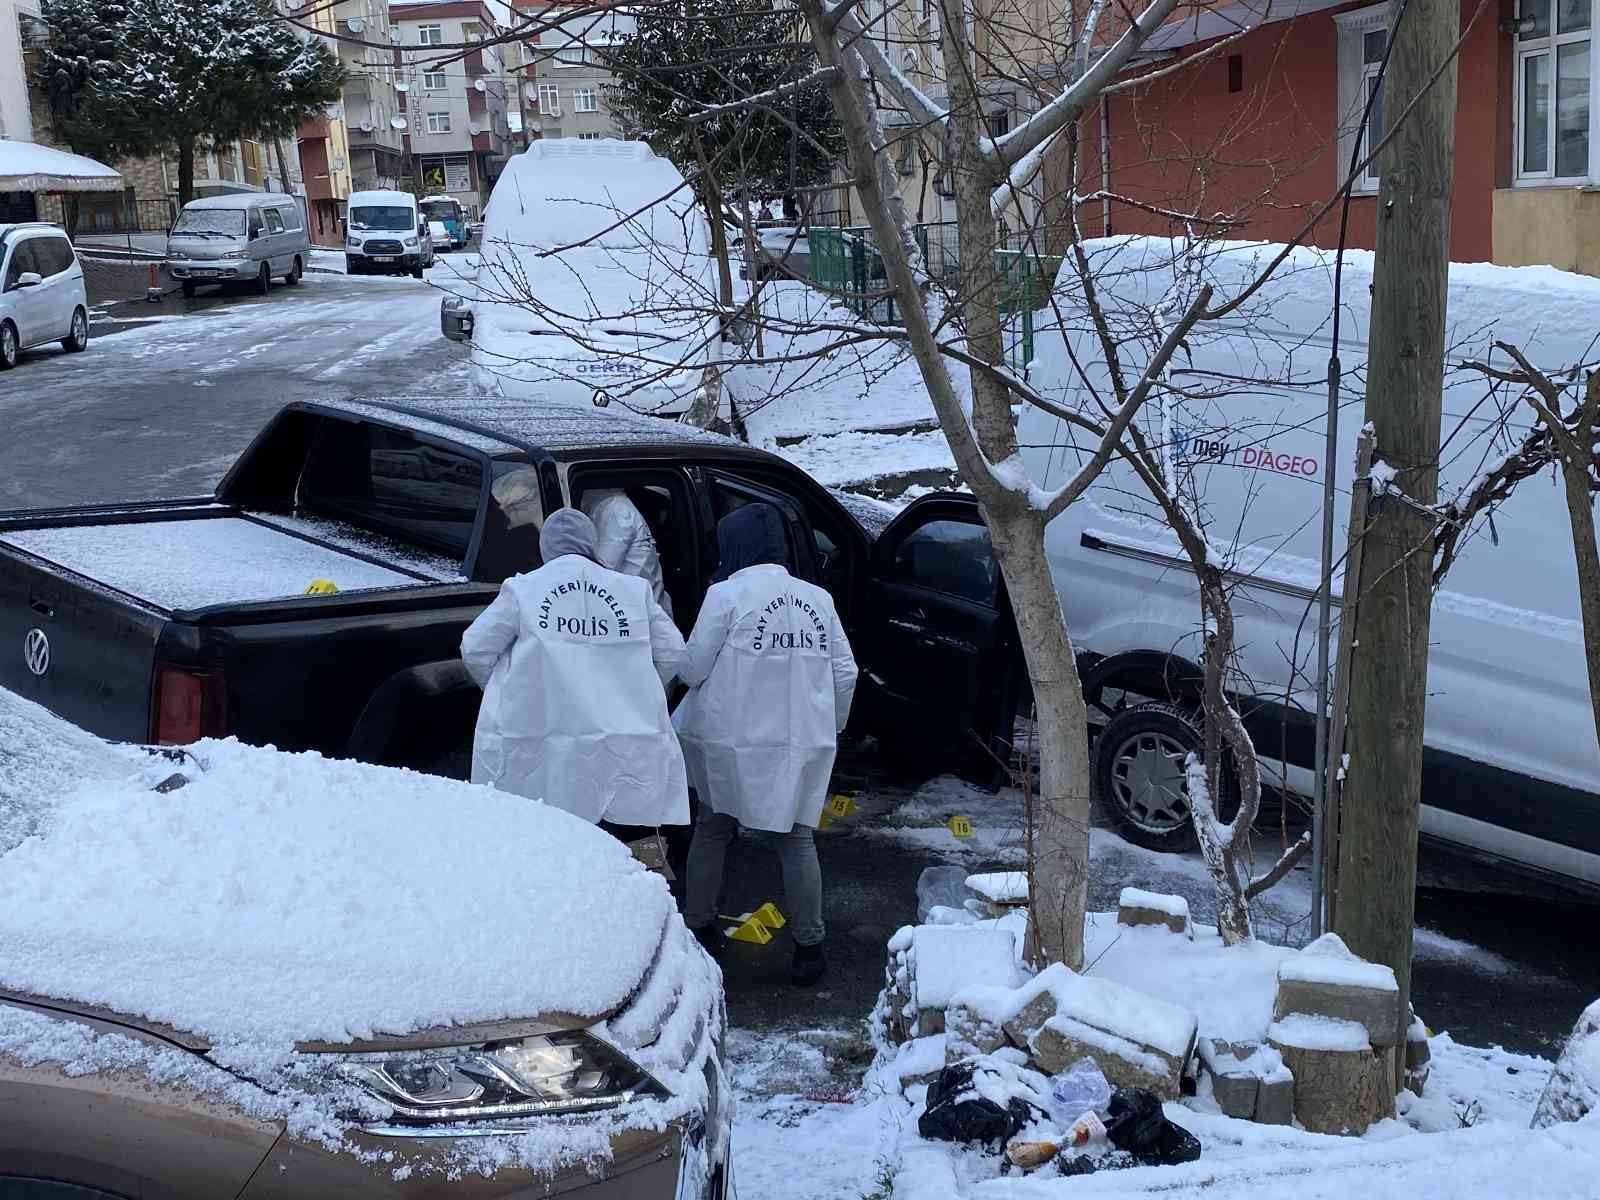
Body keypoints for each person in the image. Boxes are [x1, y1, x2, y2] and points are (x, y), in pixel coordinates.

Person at [677, 504, 858, 986]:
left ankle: (698, 927)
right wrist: (831, 726)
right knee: (795, 837)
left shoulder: (726, 595)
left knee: (713, 827)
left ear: (735, 548)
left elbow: (692, 669)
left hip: (731, 742)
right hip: (798, 742)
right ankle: (809, 947)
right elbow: (846, 671)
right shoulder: (818, 599)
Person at [461, 508, 690, 827]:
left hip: (541, 734)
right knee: (624, 838)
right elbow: (674, 652)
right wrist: (639, 691)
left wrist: (509, 690)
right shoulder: (632, 590)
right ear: (591, 542)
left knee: (544, 833)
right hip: (622, 737)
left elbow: (475, 648)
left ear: (546, 546)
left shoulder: (525, 588)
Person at [581, 488, 673, 617]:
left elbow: (601, 573)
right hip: (639, 614)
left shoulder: (615, 509)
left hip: (641, 620)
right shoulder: (612, 506)